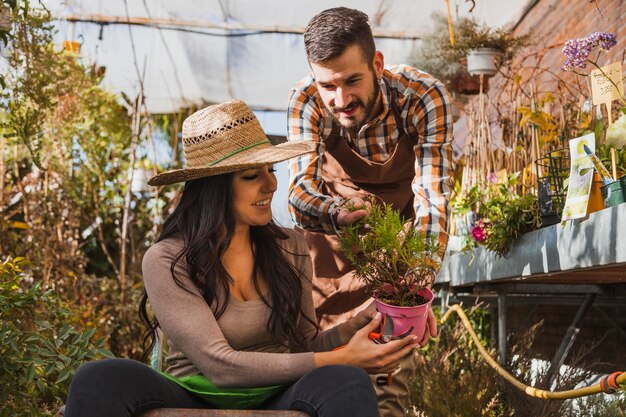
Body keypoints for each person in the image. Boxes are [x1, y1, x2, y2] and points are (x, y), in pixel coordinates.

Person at [63, 100, 421, 417]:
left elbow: (304, 347)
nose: (271, 186)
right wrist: (341, 357)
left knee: (345, 381)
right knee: (99, 379)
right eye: (252, 176)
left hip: (278, 393)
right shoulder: (169, 259)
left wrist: (363, 321)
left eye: (271, 171)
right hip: (194, 393)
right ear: (214, 189)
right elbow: (220, 366)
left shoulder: (290, 247)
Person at [287, 8, 454, 416]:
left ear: (376, 64)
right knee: (325, 381)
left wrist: (415, 284)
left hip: (395, 254)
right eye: (328, 85)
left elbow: (433, 198)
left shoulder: (423, 97)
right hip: (329, 256)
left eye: (352, 81)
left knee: (387, 387)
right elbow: (299, 193)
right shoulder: (306, 100)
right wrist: (338, 212)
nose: (340, 100)